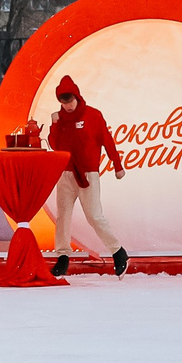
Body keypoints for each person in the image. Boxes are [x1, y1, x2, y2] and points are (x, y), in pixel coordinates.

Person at [45, 75, 130, 277]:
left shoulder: (93, 116)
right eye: (63, 102)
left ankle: (118, 252)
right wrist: (54, 125)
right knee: (63, 216)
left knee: (94, 216)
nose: (67, 106)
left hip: (88, 173)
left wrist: (117, 164)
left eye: (70, 100)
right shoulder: (60, 119)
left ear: (77, 96)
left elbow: (107, 141)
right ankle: (63, 256)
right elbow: (55, 145)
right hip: (66, 173)